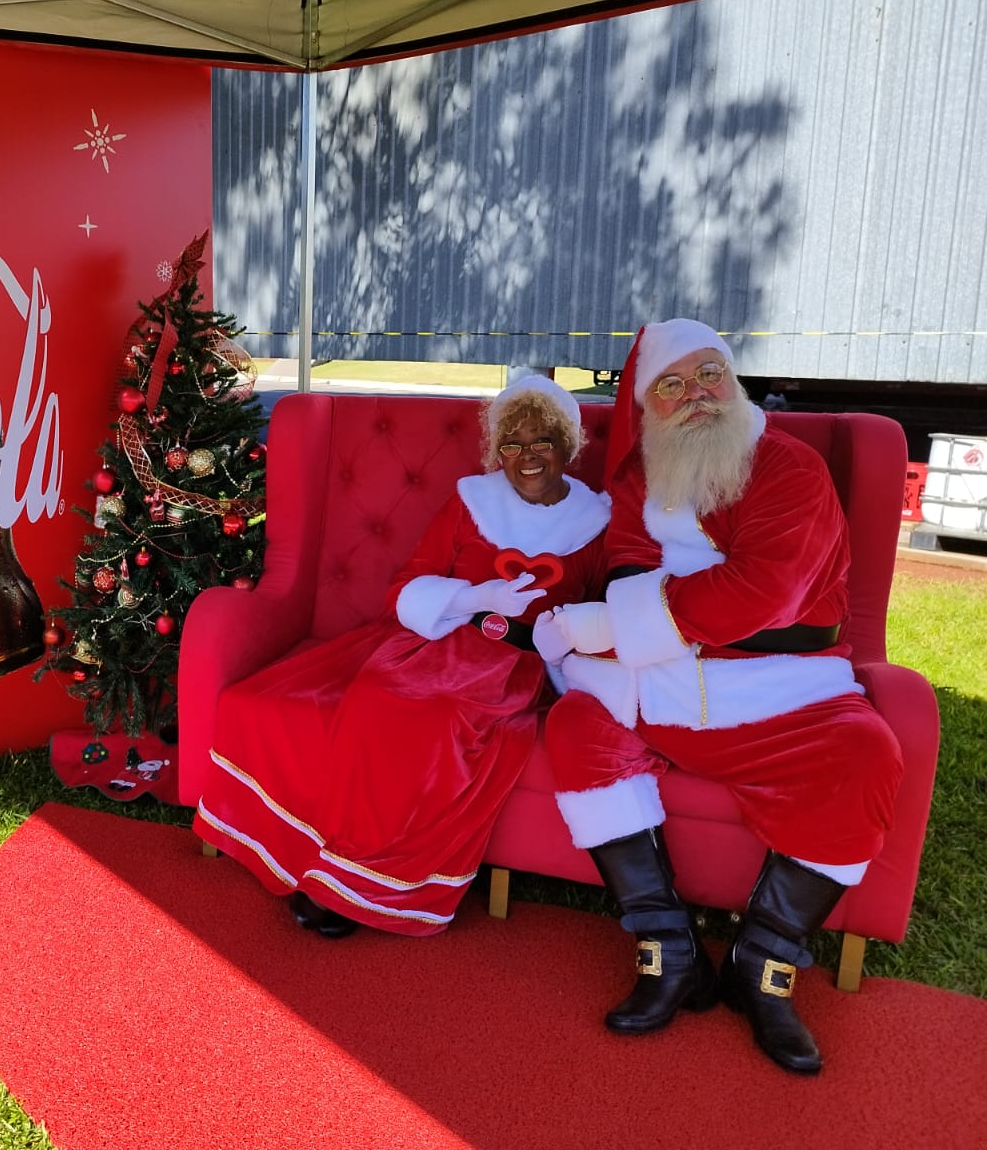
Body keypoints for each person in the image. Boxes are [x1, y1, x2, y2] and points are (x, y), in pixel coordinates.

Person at [534, 317, 903, 1075]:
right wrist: (656, 616)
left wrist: (644, 619)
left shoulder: (789, 467)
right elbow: (622, 577)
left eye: (710, 375)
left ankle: (763, 965)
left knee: (865, 753)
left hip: (786, 695)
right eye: (672, 384)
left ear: (733, 382)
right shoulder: (640, 479)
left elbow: (766, 589)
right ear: (648, 405)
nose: (696, 395)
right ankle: (667, 949)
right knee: (577, 725)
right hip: (660, 694)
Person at [193, 376, 609, 938]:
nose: (526, 456)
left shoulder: (597, 523)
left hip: (514, 666)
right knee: (375, 698)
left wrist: (563, 637)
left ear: (566, 445)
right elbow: (410, 584)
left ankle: (360, 883)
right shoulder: (471, 501)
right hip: (436, 638)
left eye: (541, 442)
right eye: (512, 443)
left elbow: (606, 612)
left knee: (440, 725)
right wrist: (476, 597)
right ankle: (330, 865)